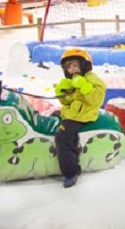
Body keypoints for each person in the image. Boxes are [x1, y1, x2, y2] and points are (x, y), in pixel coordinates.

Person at [54, 48, 106, 188]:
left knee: (62, 136)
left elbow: (97, 99)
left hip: (84, 116)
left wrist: (85, 86)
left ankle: (71, 172)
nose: (72, 69)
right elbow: (67, 102)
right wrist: (61, 92)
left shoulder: (91, 78)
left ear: (84, 65)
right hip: (72, 113)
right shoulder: (72, 80)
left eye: (75, 65)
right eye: (69, 67)